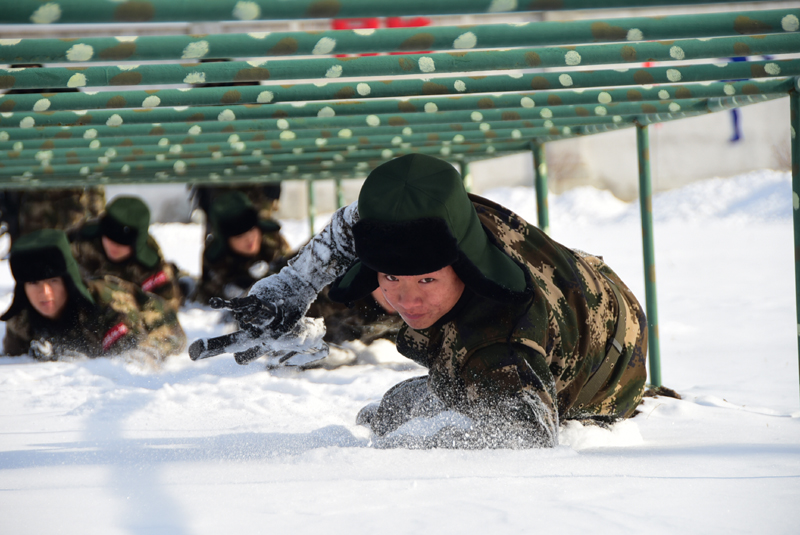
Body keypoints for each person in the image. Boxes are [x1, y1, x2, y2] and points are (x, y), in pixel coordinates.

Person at [202, 153, 648, 448]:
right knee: (396, 403)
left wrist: (406, 451)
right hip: (559, 285)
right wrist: (295, 289)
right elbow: (350, 229)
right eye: (391, 275)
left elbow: (523, 436)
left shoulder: (501, 341)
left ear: (465, 264)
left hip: (608, 364)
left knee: (422, 410)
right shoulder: (422, 215)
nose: (406, 298)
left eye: (426, 280)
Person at [2, 229, 186, 363]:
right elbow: (15, 364)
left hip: (160, 327)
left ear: (69, 280)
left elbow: (134, 361)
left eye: (53, 281)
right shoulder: (22, 319)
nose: (45, 293)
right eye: (34, 283)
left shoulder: (109, 302)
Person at [69, 196, 183, 312]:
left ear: (137, 243)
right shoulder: (81, 244)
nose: (114, 245)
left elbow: (167, 312)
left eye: (124, 240)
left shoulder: (151, 269)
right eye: (110, 234)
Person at [194, 190, 291, 304]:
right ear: (226, 241)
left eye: (251, 230)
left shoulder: (271, 239)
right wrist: (233, 288)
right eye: (239, 235)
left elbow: (292, 266)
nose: (249, 239)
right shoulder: (217, 259)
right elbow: (207, 294)